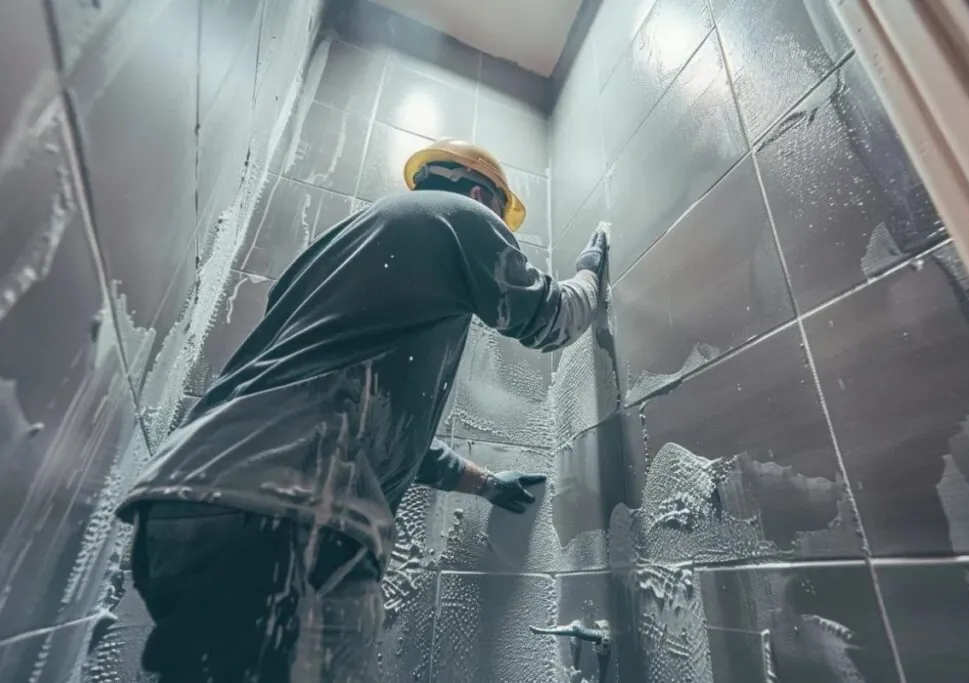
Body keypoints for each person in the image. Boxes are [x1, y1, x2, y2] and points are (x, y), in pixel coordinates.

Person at [113, 139, 609, 682]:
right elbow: (548, 317)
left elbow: (363, 420)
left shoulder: (343, 247)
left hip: (189, 499)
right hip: (292, 514)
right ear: (477, 193)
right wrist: (589, 273)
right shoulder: (462, 215)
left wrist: (483, 482)